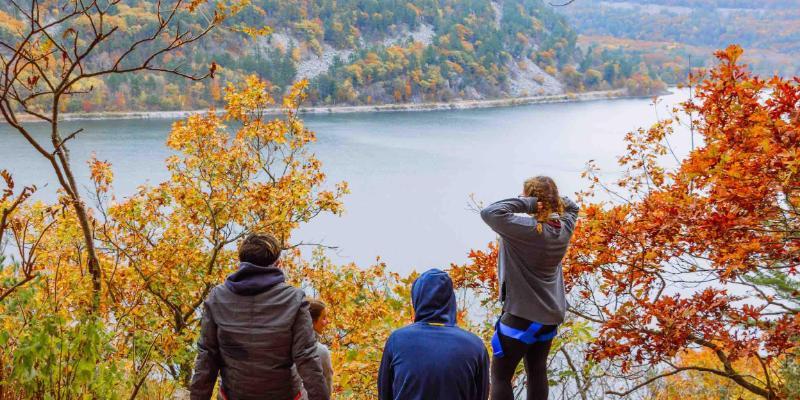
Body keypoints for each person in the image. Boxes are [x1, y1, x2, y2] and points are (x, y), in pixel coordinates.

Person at [189, 233, 329, 400]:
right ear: (278, 264)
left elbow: (207, 358)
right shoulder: (294, 299)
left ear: (241, 264)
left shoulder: (217, 297)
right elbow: (307, 358)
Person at [480, 176, 580, 400]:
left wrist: (529, 203)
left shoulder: (524, 229)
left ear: (531, 197)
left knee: (500, 376)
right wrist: (553, 200)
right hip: (549, 317)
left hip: (520, 316)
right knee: (536, 370)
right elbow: (573, 206)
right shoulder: (564, 226)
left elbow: (490, 212)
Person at [378, 268, 489, 400]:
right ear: (451, 300)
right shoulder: (475, 346)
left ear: (417, 298)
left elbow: (384, 393)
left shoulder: (397, 341)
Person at [309, 299, 334, 397]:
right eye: (323, 318)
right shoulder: (321, 351)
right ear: (313, 321)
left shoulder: (288, 343)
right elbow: (327, 390)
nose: (327, 321)